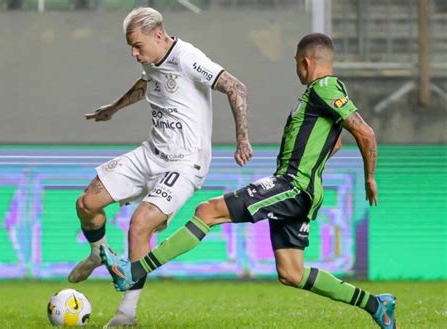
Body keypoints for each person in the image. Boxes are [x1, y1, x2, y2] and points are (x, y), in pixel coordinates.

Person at [101, 33, 397, 328]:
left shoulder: (325, 87)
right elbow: (334, 144)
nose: (297, 70)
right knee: (291, 273)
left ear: (306, 63)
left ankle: (134, 271)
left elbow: (364, 132)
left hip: (292, 185)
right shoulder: (320, 95)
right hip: (302, 189)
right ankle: (376, 305)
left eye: (297, 64)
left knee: (208, 211)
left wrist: (369, 177)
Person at [68, 7, 252, 327]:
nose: (133, 53)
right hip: (150, 154)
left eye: (137, 45)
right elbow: (146, 86)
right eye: (130, 46)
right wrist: (113, 109)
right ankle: (98, 252)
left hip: (184, 163)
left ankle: (127, 313)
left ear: (158, 35)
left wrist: (243, 139)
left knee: (140, 225)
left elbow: (236, 87)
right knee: (86, 203)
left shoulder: (187, 57)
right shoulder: (153, 61)